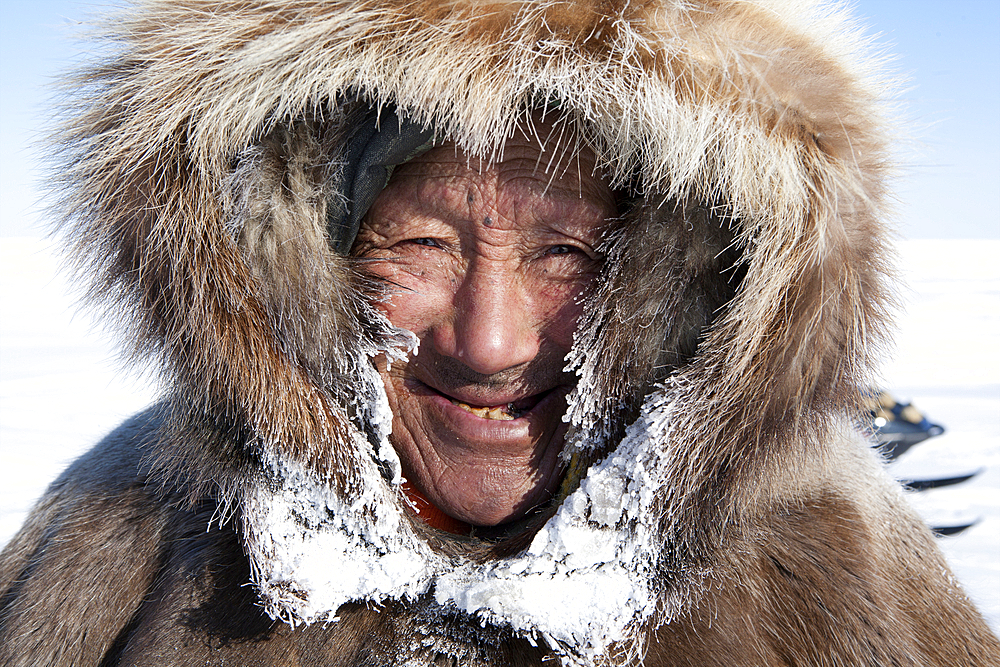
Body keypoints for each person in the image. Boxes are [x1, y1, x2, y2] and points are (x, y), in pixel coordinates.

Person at [0, 1, 997, 665]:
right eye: (419, 241)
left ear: (698, 283)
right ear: (290, 261)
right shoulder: (121, 520)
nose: (489, 344)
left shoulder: (834, 538)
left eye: (569, 252)